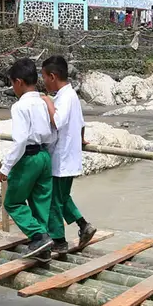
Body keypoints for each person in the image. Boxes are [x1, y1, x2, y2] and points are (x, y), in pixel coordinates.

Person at [0, 58, 56, 261]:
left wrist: (5, 168)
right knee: (41, 201)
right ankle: (44, 246)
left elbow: (21, 140)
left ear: (19, 82)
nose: (13, 87)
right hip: (44, 155)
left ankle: (38, 236)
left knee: (12, 202)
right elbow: (52, 131)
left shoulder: (19, 107)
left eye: (12, 83)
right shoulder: (42, 102)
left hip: (29, 157)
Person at [41, 56, 97, 254]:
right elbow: (81, 124)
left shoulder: (63, 97)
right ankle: (83, 225)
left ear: (53, 76)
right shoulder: (71, 95)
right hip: (70, 156)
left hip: (61, 158)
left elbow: (57, 121)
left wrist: (47, 101)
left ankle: (59, 240)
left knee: (54, 200)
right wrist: (81, 140)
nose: (44, 82)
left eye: (45, 77)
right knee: (63, 197)